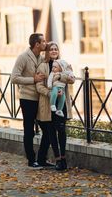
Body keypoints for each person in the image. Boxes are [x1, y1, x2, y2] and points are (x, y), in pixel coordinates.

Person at [11, 33, 53, 169]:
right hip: (27, 99)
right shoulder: (23, 57)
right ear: (37, 44)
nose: (46, 43)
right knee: (29, 130)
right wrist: (33, 80)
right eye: (44, 41)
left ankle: (41, 159)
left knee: (47, 130)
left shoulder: (42, 58)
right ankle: (31, 160)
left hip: (41, 99)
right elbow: (14, 78)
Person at [36, 42, 75, 171]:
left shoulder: (64, 64)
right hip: (49, 104)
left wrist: (60, 75)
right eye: (51, 49)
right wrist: (50, 93)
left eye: (55, 49)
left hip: (62, 104)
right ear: (47, 52)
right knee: (51, 132)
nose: (53, 51)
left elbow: (72, 78)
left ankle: (64, 158)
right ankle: (57, 160)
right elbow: (39, 85)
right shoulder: (42, 66)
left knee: (62, 131)